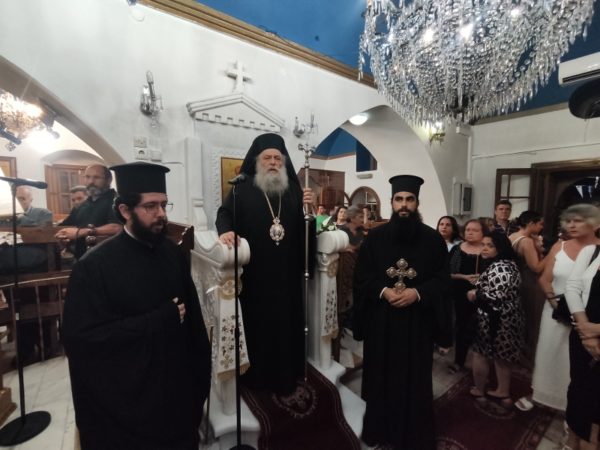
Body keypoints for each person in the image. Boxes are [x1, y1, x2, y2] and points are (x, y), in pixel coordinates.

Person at [62, 162, 211, 450]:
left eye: (164, 205)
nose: (161, 214)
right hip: (128, 406)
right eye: (150, 206)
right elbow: (83, 339)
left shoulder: (172, 253)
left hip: (175, 397)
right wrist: (157, 321)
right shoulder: (94, 267)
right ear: (125, 210)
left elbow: (192, 322)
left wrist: (197, 380)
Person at [353, 175, 449, 450]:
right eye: (399, 199)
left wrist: (417, 293)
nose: (404, 205)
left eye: (409, 199)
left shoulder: (433, 240)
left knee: (414, 379)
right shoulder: (375, 238)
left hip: (417, 323)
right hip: (381, 322)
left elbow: (443, 280)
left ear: (417, 202)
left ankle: (414, 435)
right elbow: (362, 278)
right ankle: (379, 430)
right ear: (391, 202)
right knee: (380, 375)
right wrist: (384, 291)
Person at [216, 133, 314, 394]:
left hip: (287, 274)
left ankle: (287, 374)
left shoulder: (294, 190)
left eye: (278, 158)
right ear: (257, 161)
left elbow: (304, 230)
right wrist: (225, 230)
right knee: (259, 325)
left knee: (286, 325)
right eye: (267, 158)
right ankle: (257, 378)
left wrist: (310, 212)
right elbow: (224, 214)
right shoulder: (241, 187)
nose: (273, 162)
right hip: (256, 275)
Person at [519, 204, 600, 413]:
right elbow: (544, 279)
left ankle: (570, 406)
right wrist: (557, 306)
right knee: (548, 353)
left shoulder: (596, 250)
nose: (572, 225)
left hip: (587, 317)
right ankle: (540, 394)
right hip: (555, 310)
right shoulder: (560, 246)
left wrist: (580, 317)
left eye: (578, 220)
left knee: (572, 361)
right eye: (568, 221)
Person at [468, 232, 524, 409]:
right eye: (483, 245)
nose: (484, 248)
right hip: (509, 315)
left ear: (500, 247)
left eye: (490, 245)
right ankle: (503, 391)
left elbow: (494, 296)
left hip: (494, 318)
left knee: (480, 353)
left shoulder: (500, 267)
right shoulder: (510, 263)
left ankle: (479, 389)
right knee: (502, 355)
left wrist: (474, 293)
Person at [565, 231, 600, 450]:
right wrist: (585, 327)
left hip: (591, 331)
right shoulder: (591, 251)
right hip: (581, 333)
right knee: (578, 388)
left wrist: (594, 330)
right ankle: (572, 442)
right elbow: (572, 288)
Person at [56, 164, 122, 259]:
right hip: (82, 257)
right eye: (87, 177)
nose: (91, 182)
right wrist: (62, 236)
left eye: (97, 177)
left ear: (109, 180)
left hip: (108, 258)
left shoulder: (116, 201)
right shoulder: (83, 205)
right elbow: (66, 225)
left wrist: (81, 232)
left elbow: (117, 227)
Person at [509, 210, 545, 367]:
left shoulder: (512, 236)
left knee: (521, 317)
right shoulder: (526, 241)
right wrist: (552, 255)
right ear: (531, 223)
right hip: (528, 282)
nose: (541, 227)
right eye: (540, 224)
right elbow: (536, 267)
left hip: (516, 280)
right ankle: (529, 357)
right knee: (532, 319)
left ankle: (519, 352)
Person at [449, 218, 485, 373]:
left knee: (481, 328)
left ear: (483, 233)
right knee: (461, 326)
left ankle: (481, 364)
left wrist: (481, 279)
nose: (470, 233)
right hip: (460, 292)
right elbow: (447, 272)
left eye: (475, 230)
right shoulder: (457, 249)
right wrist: (464, 277)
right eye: (468, 230)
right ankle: (459, 361)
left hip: (483, 293)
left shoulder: (488, 249)